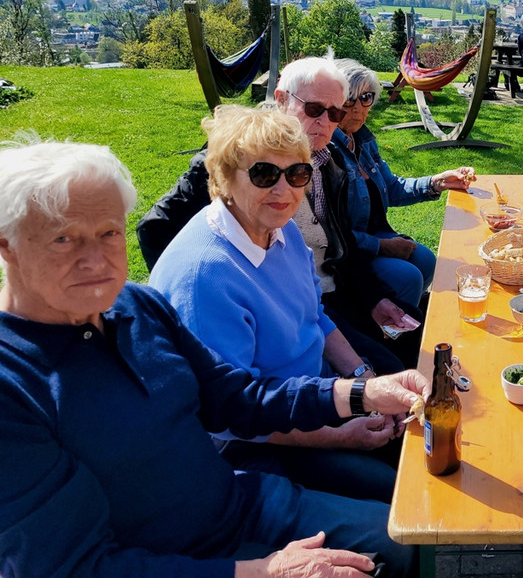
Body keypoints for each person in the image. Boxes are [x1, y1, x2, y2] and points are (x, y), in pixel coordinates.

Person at [0, 138, 422, 578]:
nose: (95, 261)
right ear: (6, 245)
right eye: (64, 238)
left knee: (406, 539)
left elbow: (234, 397)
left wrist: (362, 391)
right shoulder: (12, 384)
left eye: (109, 233)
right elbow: (68, 567)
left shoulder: (137, 306)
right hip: (170, 559)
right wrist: (263, 571)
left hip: (239, 504)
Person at [149, 104, 405, 503]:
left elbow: (314, 316)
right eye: (264, 174)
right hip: (262, 439)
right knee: (394, 490)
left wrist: (362, 377)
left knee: (416, 429)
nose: (284, 191)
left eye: (297, 173)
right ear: (224, 177)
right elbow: (238, 414)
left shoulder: (280, 231)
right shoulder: (205, 275)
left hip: (316, 394)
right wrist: (341, 433)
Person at [137, 55, 421, 371]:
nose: (325, 122)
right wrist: (192, 293)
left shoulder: (328, 161)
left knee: (417, 336)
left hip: (322, 295)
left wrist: (374, 298)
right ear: (282, 99)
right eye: (314, 109)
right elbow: (155, 227)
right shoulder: (236, 155)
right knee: (391, 367)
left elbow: (340, 244)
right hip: (282, 309)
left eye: (335, 113)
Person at [336, 61, 476, 307]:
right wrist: (382, 246)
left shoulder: (362, 139)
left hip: (373, 236)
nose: (358, 108)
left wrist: (437, 182)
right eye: (349, 99)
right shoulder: (327, 152)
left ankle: (407, 316)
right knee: (409, 276)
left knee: (426, 260)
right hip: (348, 251)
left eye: (366, 97)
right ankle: (387, 324)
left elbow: (390, 187)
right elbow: (332, 233)